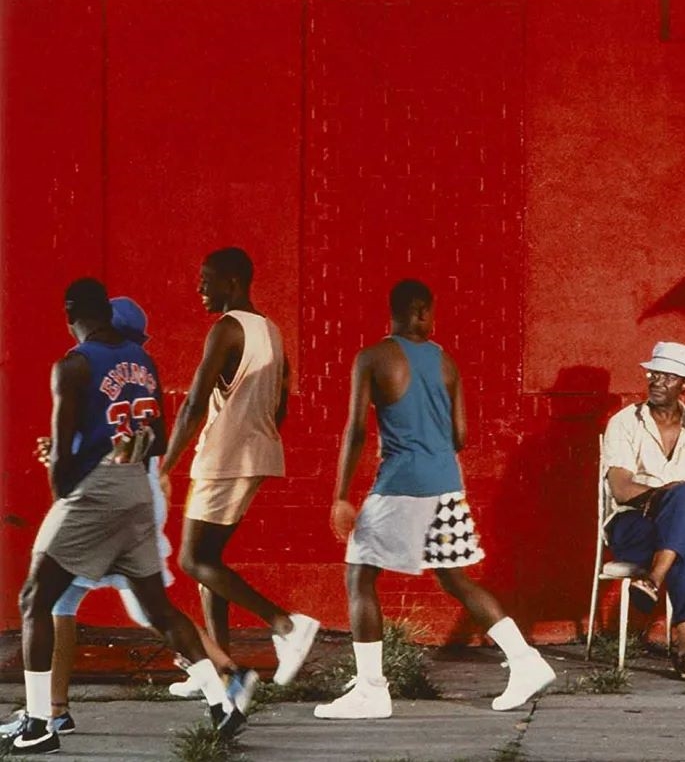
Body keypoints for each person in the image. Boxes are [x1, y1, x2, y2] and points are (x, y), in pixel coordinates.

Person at [1, 298, 257, 740]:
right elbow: (134, 439)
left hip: (102, 500)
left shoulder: (85, 366)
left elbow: (91, 446)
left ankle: (45, 719)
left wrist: (63, 475)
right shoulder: (139, 367)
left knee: (45, 601)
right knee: (144, 607)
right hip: (138, 493)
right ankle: (221, 695)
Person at [315, 279, 556, 719]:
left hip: (403, 482)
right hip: (446, 481)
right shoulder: (446, 362)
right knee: (454, 578)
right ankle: (525, 661)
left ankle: (371, 691)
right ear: (422, 312)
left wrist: (340, 495)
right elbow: (460, 435)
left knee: (359, 575)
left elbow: (357, 430)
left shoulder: (372, 358)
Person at [160, 247, 318, 689]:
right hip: (255, 453)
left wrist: (165, 465)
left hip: (224, 456)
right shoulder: (271, 330)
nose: (199, 287)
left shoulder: (227, 328)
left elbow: (193, 403)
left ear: (232, 282)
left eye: (206, 278)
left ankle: (286, 625)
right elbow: (281, 403)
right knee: (209, 563)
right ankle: (220, 670)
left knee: (193, 559)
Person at [601, 341, 685, 681]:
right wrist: (682, 497)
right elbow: (622, 489)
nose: (656, 381)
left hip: (680, 526)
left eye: (668, 376)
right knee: (684, 522)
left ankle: (653, 580)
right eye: (653, 374)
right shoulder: (624, 423)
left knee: (684, 507)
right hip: (634, 526)